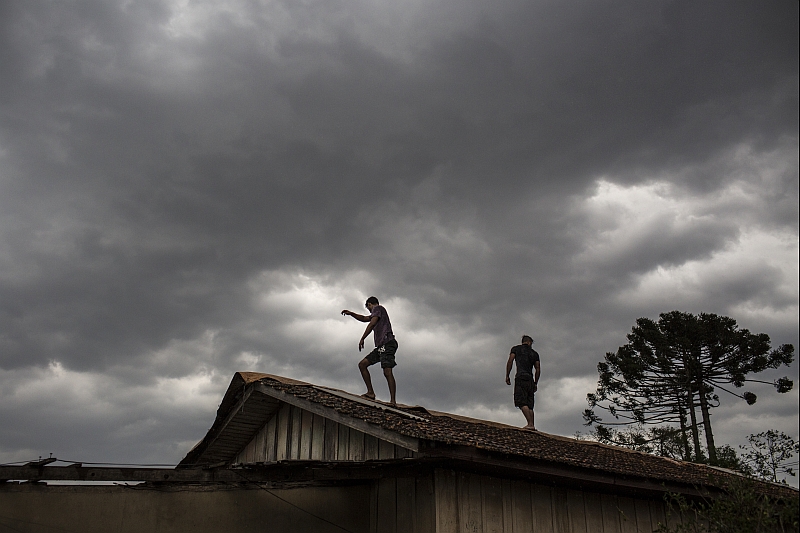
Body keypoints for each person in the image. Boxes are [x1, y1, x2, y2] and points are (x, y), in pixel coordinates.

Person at [341, 296, 398, 406]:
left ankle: (393, 401)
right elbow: (364, 318)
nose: (370, 312)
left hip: (388, 343)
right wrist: (351, 313)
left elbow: (372, 323)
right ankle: (370, 392)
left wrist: (363, 338)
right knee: (362, 364)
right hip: (381, 347)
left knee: (387, 371)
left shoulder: (378, 308)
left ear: (370, 304)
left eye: (368, 308)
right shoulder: (377, 312)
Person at [505, 335, 541, 430]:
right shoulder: (534, 354)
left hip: (521, 377)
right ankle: (532, 425)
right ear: (529, 342)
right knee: (530, 404)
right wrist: (535, 383)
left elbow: (510, 361)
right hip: (530, 379)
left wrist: (507, 375)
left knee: (521, 401)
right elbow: (538, 369)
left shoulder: (516, 349)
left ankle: (530, 424)